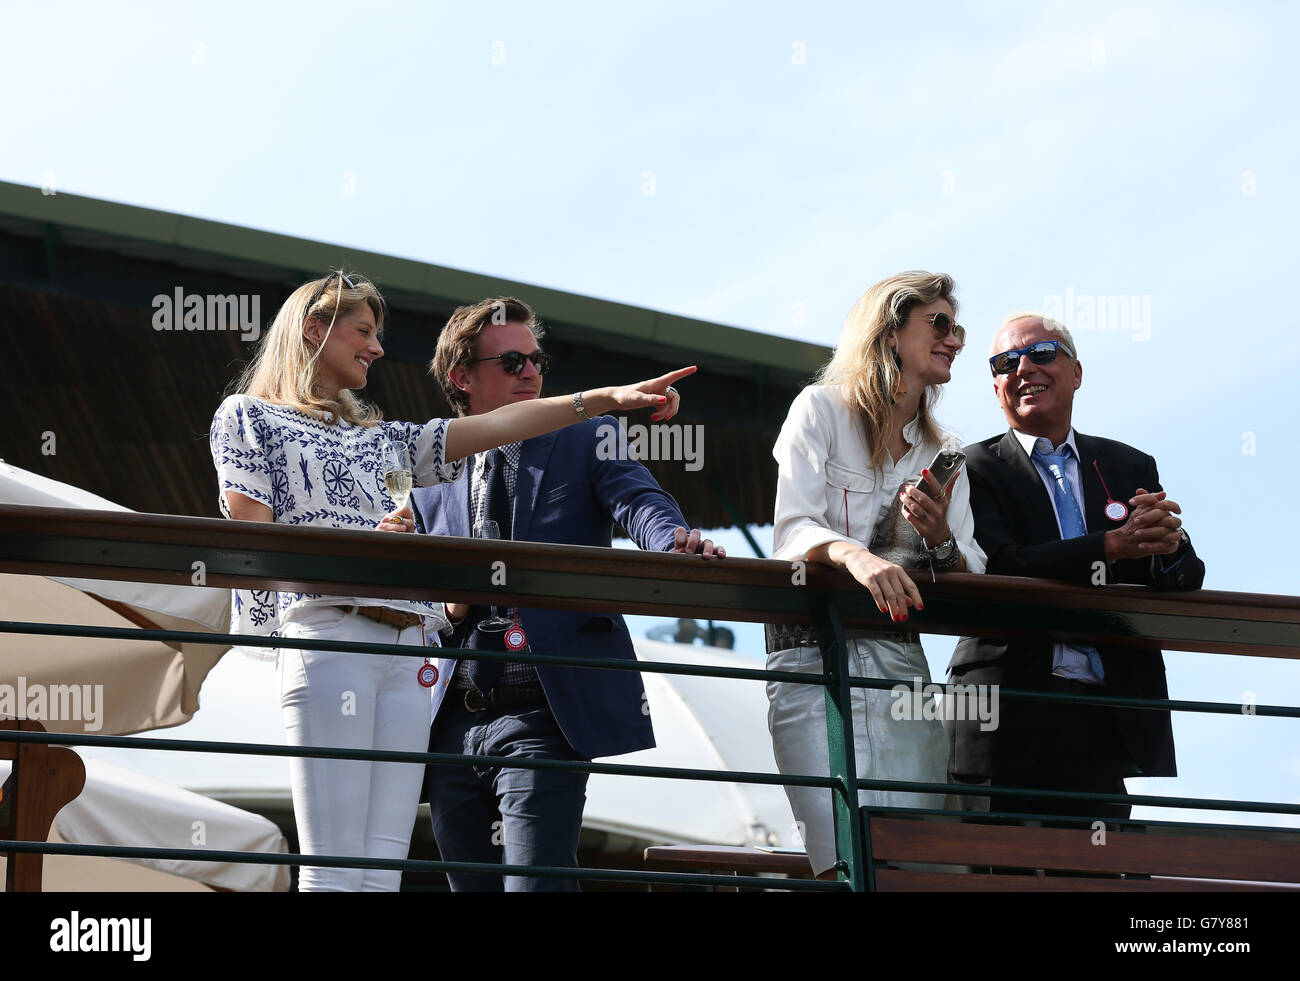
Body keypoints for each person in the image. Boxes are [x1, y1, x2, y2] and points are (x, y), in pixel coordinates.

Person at [209, 272, 692, 891]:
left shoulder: (383, 441)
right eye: (363, 331)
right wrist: (383, 559)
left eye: (536, 360)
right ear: (313, 328)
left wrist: (607, 402)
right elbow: (257, 544)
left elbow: (517, 439)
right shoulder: (262, 419)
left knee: (398, 872)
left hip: (457, 678)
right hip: (383, 670)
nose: (377, 348)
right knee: (337, 867)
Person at [410, 296, 724, 891]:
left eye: (536, 359)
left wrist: (672, 543)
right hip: (448, 719)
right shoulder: (429, 470)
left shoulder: (587, 435)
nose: (530, 372)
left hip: (541, 709)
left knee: (535, 883)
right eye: (510, 363)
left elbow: (640, 503)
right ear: (461, 377)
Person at [766, 271, 986, 878]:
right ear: (889, 332)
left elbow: (971, 576)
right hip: (810, 665)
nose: (955, 340)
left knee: (916, 867)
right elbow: (792, 531)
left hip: (901, 671)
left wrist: (940, 540)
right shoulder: (819, 410)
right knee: (841, 863)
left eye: (956, 327)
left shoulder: (946, 459)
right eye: (938, 324)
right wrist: (856, 556)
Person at [947, 312, 1205, 819]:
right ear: (995, 385)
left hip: (1101, 708)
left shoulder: (1129, 465)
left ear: (1076, 373)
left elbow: (1183, 577)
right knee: (998, 873)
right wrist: (1110, 546)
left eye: (1041, 353)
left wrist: (1167, 546)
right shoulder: (971, 467)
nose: (1023, 368)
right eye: (1004, 362)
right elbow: (1003, 564)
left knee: (1098, 872)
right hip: (1004, 705)